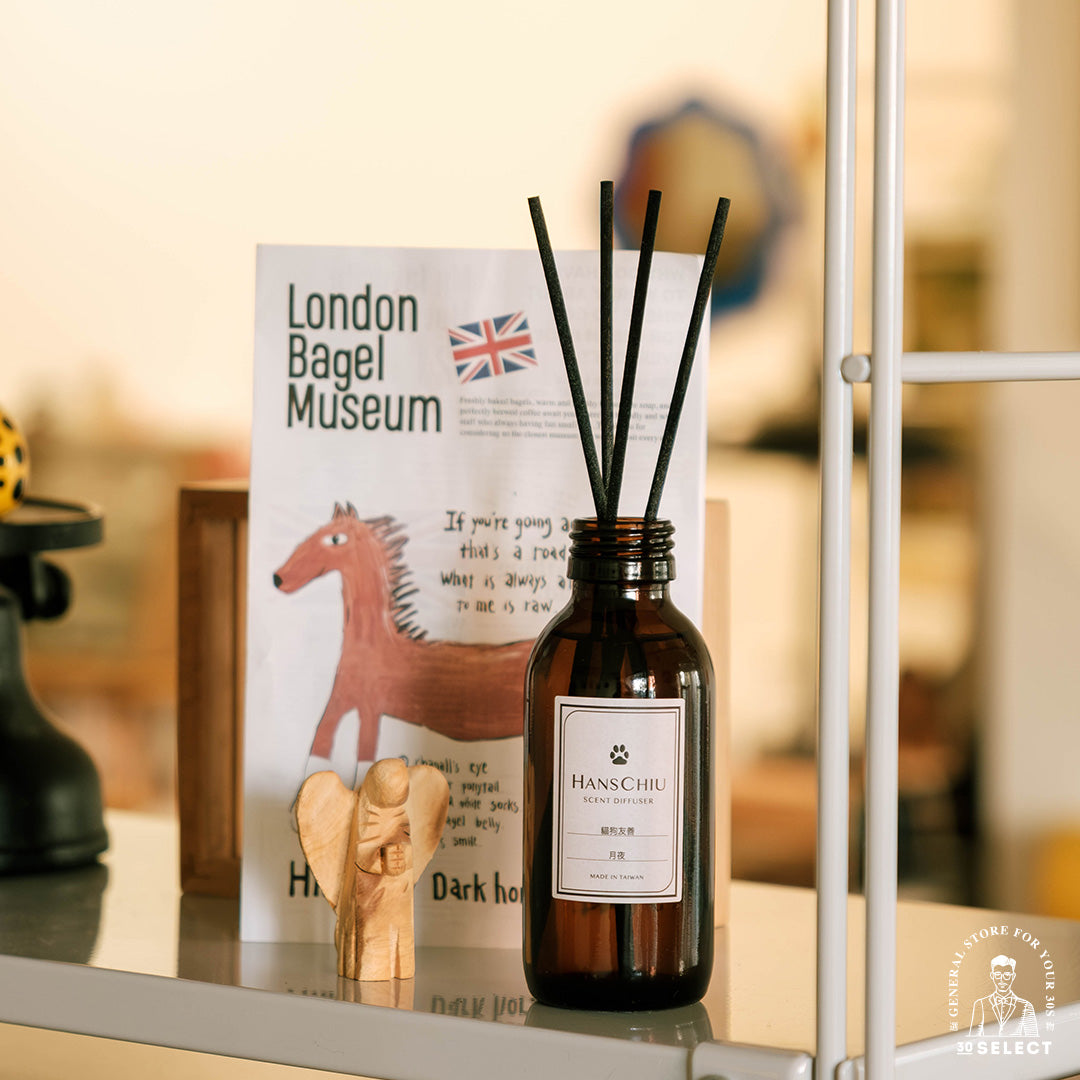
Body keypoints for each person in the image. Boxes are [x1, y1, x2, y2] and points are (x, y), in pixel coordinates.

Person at [969, 954, 1039, 1037]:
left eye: (1007, 975)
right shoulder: (980, 1004)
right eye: (998, 975)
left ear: (1013, 976)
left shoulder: (1026, 1006)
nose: (1002, 979)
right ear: (992, 976)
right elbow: (972, 1039)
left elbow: (1032, 1037)